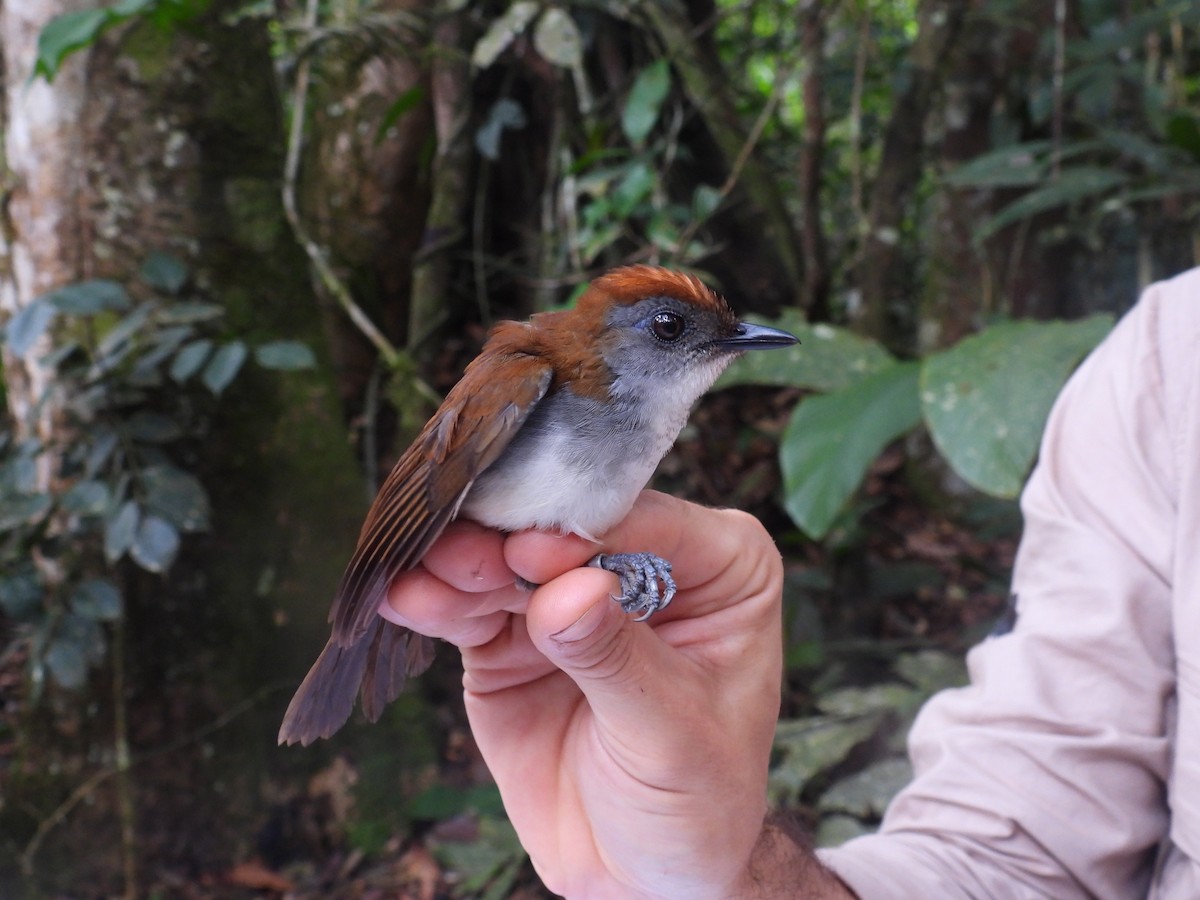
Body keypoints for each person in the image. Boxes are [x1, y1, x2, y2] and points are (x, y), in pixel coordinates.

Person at [382, 266, 1200, 898]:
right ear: (612, 344)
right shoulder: (1169, 363)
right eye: (671, 331)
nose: (714, 344)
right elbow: (1023, 855)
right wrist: (711, 881)